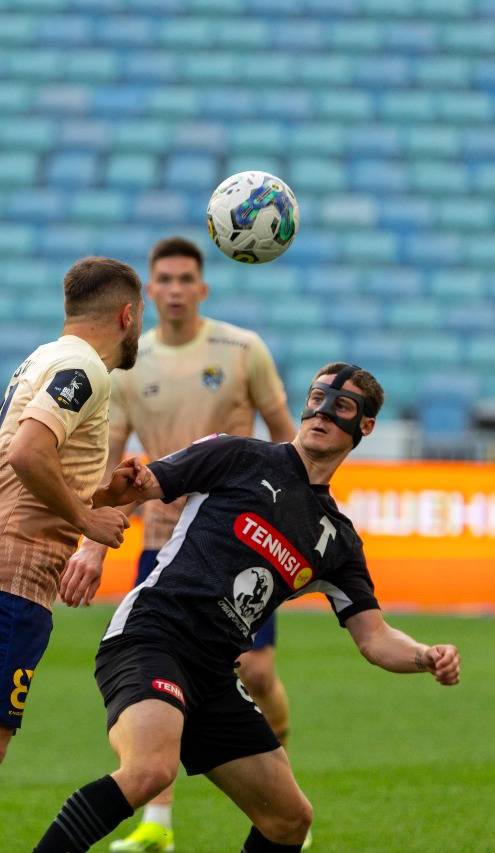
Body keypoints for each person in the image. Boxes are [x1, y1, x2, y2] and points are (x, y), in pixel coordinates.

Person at [31, 363, 461, 853]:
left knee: (290, 820)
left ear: (365, 425)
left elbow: (375, 637)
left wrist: (424, 656)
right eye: (317, 398)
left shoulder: (337, 540)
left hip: (214, 673)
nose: (322, 413)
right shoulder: (237, 454)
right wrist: (93, 546)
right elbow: (137, 486)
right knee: (150, 770)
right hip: (153, 637)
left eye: (340, 406)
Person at [61, 236, 297, 853]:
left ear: (202, 287)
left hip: (239, 548)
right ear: (148, 292)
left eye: (184, 278)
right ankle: (157, 826)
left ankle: (275, 768)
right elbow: (112, 461)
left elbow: (288, 440)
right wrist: (91, 545)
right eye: (162, 279)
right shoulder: (131, 362)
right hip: (164, 542)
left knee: (257, 671)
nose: (173, 289)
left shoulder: (243, 350)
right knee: (166, 680)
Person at [0, 256, 146, 853]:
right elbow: (26, 454)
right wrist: (87, 519)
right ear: (126, 315)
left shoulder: (44, 358)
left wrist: (100, 494)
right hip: (6, 570)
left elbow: (30, 465)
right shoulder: (85, 368)